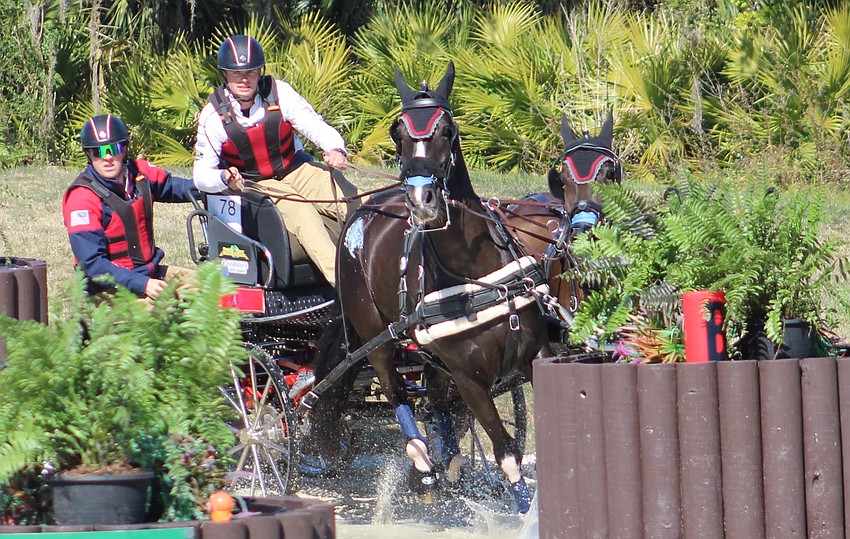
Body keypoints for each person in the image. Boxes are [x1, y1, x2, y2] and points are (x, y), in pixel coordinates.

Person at [193, 34, 359, 287]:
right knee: (305, 216)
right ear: (225, 74)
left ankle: (390, 272)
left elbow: (314, 125)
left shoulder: (281, 93)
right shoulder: (213, 115)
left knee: (358, 201)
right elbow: (201, 175)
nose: (245, 79)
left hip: (297, 169)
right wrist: (224, 178)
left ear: (260, 71)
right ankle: (348, 288)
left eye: (250, 71)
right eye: (237, 73)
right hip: (256, 183)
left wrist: (335, 148)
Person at [63, 114, 196, 298]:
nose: (107, 157)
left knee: (212, 289)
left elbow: (174, 187)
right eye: (99, 152)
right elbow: (93, 265)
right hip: (108, 289)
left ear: (124, 148)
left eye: (113, 148)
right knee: (167, 312)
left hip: (149, 273)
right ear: (88, 154)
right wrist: (143, 285)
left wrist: (217, 184)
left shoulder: (139, 173)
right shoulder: (82, 199)